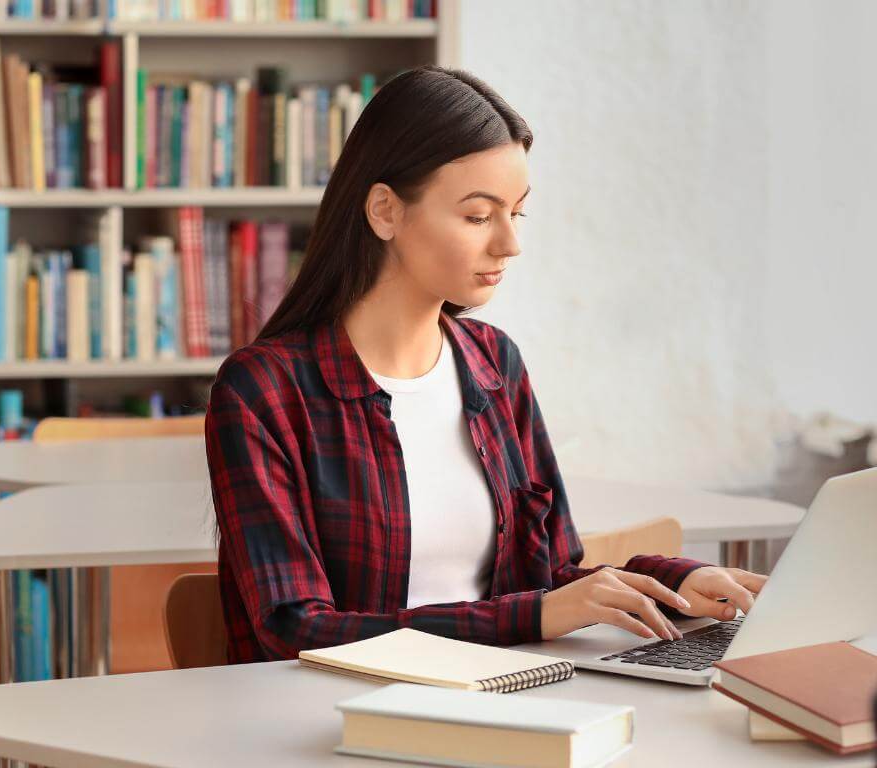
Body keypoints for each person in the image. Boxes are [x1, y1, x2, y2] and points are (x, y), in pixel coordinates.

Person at [204, 64, 767, 664]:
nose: (509, 244)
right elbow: (294, 629)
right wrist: (532, 615)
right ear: (385, 211)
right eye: (478, 216)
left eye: (515, 213)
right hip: (326, 724)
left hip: (501, 696)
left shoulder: (494, 362)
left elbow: (550, 575)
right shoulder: (263, 390)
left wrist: (672, 582)